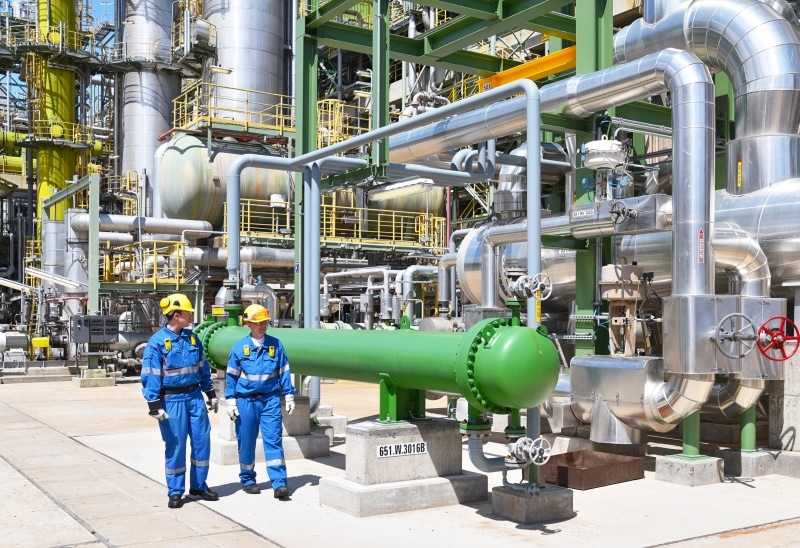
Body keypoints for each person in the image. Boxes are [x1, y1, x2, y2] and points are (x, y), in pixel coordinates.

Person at [141, 293, 220, 509]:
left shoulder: (192, 339)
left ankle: (198, 486)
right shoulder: (157, 342)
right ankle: (175, 491)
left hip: (194, 398)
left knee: (202, 442)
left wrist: (210, 393)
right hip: (172, 399)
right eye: (187, 313)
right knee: (176, 445)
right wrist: (153, 404)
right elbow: (151, 374)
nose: (190, 316)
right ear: (176, 315)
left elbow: (202, 368)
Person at [226, 303, 296, 498]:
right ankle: (248, 480)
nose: (262, 326)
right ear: (248, 324)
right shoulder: (240, 347)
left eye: (264, 322)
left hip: (270, 400)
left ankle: (279, 483)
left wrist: (289, 395)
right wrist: (230, 401)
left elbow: (284, 372)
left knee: (274, 441)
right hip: (246, 402)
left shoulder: (276, 345)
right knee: (246, 441)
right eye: (258, 323)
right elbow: (231, 376)